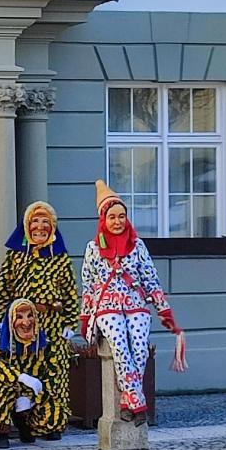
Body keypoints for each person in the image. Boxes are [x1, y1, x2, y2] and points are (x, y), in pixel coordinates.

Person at [81, 180, 184, 427]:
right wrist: (85, 320)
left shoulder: (137, 246)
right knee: (119, 345)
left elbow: (151, 279)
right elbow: (88, 285)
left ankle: (129, 402)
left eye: (122, 216)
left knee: (139, 349)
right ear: (103, 219)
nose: (117, 222)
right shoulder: (94, 248)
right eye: (112, 217)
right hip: (106, 306)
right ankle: (137, 403)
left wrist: (166, 315)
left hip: (136, 304)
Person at [0, 201, 78, 439]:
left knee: (53, 374)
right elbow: (3, 290)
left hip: (52, 324)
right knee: (23, 370)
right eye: (35, 221)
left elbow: (70, 292)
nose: (40, 227)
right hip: (22, 325)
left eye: (45, 222)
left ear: (53, 226)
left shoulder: (60, 258)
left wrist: (70, 323)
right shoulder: (15, 256)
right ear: (27, 226)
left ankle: (50, 424)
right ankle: (20, 420)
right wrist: (0, 320)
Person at [0, 298, 52, 448]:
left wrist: (34, 390)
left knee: (44, 394)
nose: (26, 322)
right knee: (3, 389)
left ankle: (27, 426)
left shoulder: (41, 343)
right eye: (19, 317)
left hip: (29, 386)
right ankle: (1, 433)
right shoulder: (0, 342)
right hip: (5, 384)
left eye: (30, 316)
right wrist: (21, 378)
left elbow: (48, 371)